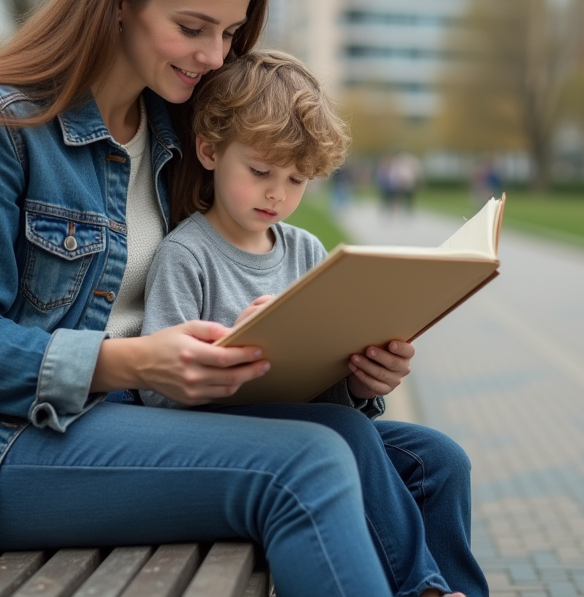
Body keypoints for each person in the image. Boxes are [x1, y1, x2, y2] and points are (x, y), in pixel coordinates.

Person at [0, 0, 479, 597]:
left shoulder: (177, 135)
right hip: (6, 449)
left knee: (433, 461)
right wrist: (134, 363)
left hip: (149, 424)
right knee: (306, 465)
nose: (214, 55)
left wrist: (351, 368)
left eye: (230, 34)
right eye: (193, 27)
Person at [139, 50, 489, 596]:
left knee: (441, 459)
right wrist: (238, 345)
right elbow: (157, 400)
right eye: (259, 172)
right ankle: (425, 589)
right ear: (209, 151)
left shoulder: (305, 249)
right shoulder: (187, 255)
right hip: (231, 444)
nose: (277, 193)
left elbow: (331, 380)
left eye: (297, 179)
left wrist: (361, 378)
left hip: (320, 425)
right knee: (344, 431)